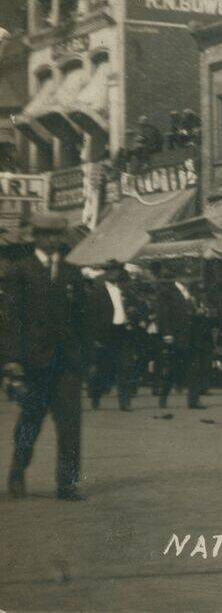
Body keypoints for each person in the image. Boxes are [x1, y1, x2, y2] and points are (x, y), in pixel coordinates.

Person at [4, 213, 88, 500]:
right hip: (33, 362)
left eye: (57, 236)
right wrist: (12, 359)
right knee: (31, 421)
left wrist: (81, 353)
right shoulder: (20, 271)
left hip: (66, 361)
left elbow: (80, 317)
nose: (52, 241)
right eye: (46, 235)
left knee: (70, 424)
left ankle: (67, 483)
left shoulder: (72, 272)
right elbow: (11, 319)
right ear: (36, 237)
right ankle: (18, 469)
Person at [153, 264, 205, 410]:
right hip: (177, 335)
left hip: (191, 335)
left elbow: (189, 312)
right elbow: (162, 314)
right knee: (174, 369)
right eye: (189, 275)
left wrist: (198, 312)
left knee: (194, 367)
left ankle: (193, 401)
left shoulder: (189, 292)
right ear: (181, 277)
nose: (191, 278)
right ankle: (163, 396)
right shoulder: (167, 291)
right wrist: (167, 333)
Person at [87, 259, 134, 411]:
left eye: (118, 270)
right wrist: (95, 338)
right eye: (113, 271)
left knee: (125, 367)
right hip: (106, 333)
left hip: (123, 332)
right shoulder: (98, 290)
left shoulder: (124, 289)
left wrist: (132, 315)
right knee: (103, 368)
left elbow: (131, 307)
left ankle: (124, 402)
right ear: (107, 272)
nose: (116, 273)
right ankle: (95, 395)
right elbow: (92, 316)